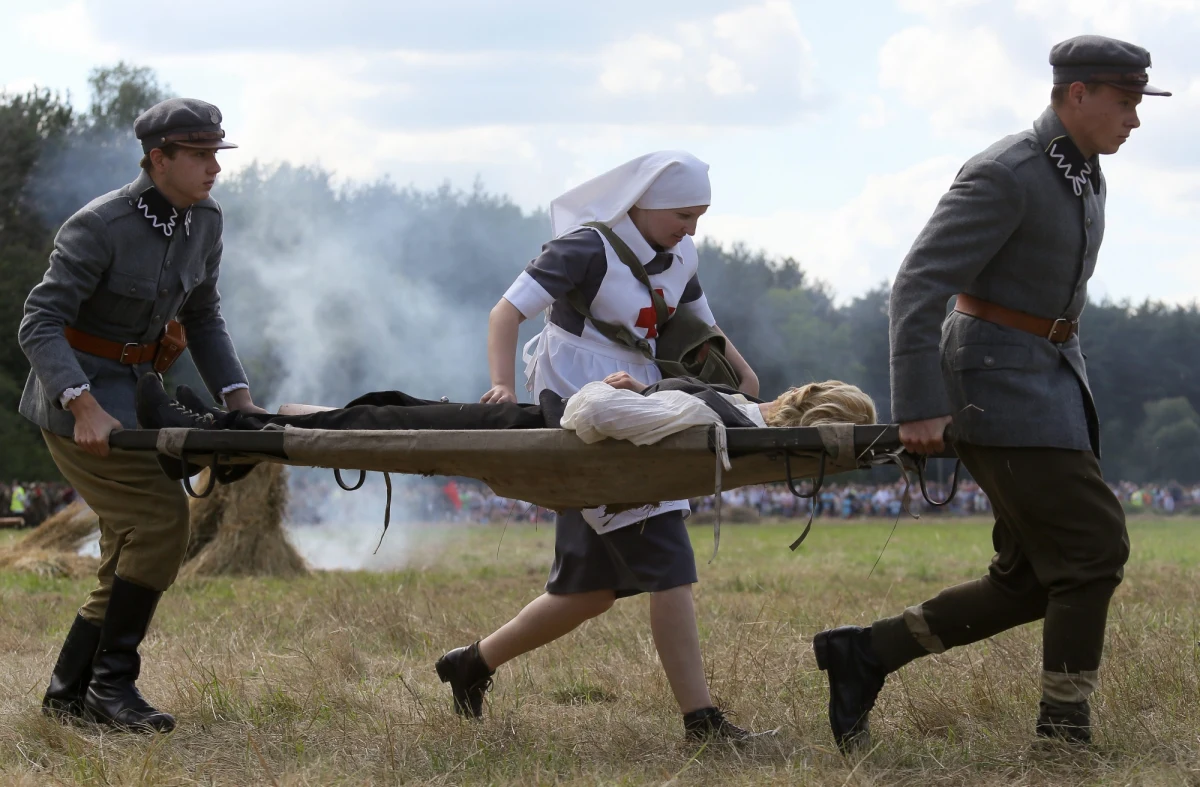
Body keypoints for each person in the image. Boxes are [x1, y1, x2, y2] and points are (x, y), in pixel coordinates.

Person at [811, 35, 1170, 751]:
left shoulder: (1081, 171)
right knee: (1094, 549)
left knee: (1031, 580)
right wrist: (917, 403)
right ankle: (1063, 736)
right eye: (1126, 101)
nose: (1135, 119)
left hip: (1048, 381)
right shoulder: (1006, 172)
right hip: (996, 388)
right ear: (1078, 95)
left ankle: (866, 652)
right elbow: (918, 282)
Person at [427, 151, 780, 743]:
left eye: (700, 216)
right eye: (683, 214)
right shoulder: (585, 247)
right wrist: (504, 388)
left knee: (587, 591)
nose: (692, 228)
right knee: (668, 558)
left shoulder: (681, 256)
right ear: (641, 202)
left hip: (639, 400)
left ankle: (470, 665)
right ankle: (702, 722)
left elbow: (702, 327)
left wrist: (747, 384)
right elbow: (505, 314)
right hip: (578, 406)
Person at [18, 98, 266, 732]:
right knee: (159, 521)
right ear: (159, 159)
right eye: (200, 155)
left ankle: (71, 694)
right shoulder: (98, 226)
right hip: (76, 403)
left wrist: (239, 401)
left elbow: (204, 315)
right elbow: (39, 322)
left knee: (128, 546)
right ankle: (111, 688)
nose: (214, 167)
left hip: (139, 393)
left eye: (217, 153)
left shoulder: (205, 221)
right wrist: (84, 405)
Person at [134, 369, 875, 437]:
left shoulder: (714, 416)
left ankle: (217, 428)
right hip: (526, 420)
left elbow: (599, 416)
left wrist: (606, 387)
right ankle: (237, 419)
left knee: (375, 417)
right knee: (380, 406)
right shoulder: (734, 417)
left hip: (532, 424)